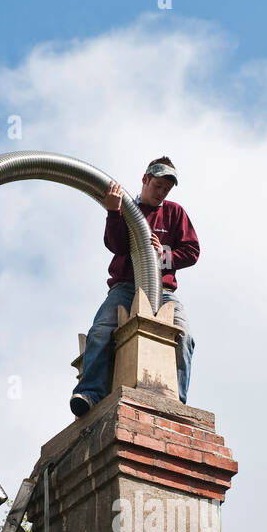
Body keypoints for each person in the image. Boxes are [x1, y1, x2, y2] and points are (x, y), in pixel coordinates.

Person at [70, 157, 200, 417]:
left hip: (163, 292)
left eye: (167, 189)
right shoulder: (127, 208)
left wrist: (161, 253)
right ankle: (90, 393)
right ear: (145, 179)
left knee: (184, 335)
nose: (162, 192)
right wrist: (114, 211)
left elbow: (192, 251)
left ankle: (177, 403)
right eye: (158, 186)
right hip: (125, 286)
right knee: (101, 331)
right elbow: (116, 245)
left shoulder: (174, 213)